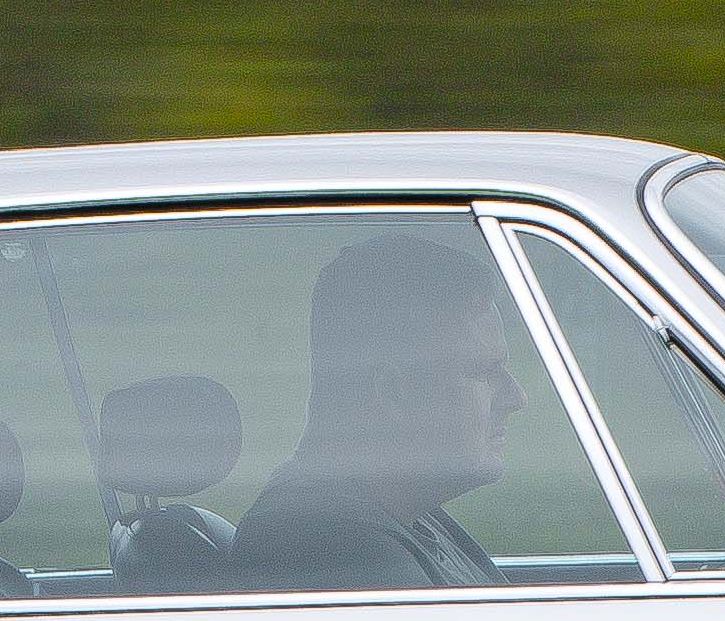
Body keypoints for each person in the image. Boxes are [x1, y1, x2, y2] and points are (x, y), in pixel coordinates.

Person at [225, 230, 529, 589]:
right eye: (483, 372)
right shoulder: (340, 552)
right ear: (394, 392)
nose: (516, 397)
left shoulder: (402, 515)